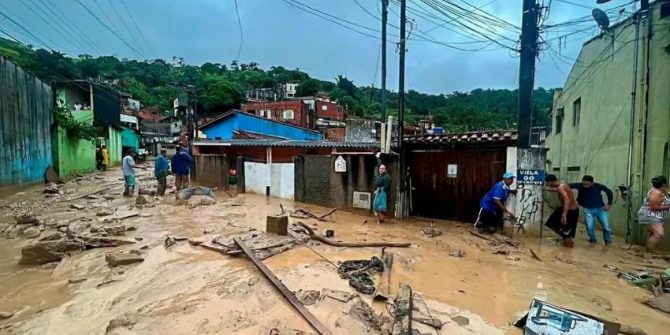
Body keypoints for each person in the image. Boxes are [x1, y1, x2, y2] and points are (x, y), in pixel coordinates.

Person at [569, 175, 614, 245]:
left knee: (606, 226)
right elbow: (567, 186)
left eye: (587, 184)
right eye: (584, 184)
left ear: (592, 183)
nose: (585, 186)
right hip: (588, 210)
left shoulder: (598, 186)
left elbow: (609, 192)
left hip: (600, 209)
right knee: (589, 227)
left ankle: (608, 241)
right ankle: (593, 240)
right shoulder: (580, 185)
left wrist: (609, 204)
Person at [545, 174, 580, 247]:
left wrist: (564, 214)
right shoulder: (562, 184)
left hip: (570, 211)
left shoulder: (560, 188)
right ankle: (565, 236)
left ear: (550, 181)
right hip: (563, 208)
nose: (546, 185)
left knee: (567, 232)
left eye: (546, 183)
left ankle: (568, 247)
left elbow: (567, 200)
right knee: (550, 223)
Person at [638, 175, 670, 251]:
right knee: (659, 234)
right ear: (664, 184)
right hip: (650, 215)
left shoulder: (662, 191)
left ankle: (649, 251)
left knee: (653, 234)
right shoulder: (656, 193)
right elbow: (654, 207)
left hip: (654, 216)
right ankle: (649, 251)